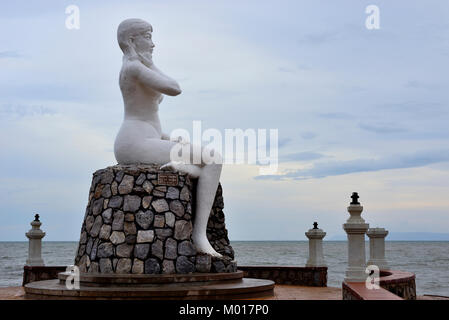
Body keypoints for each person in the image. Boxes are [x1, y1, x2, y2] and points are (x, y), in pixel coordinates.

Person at [114, 18, 223, 257]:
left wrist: (147, 60)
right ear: (132, 40)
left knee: (199, 156)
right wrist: (147, 62)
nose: (153, 43)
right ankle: (199, 235)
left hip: (151, 136)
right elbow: (174, 87)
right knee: (213, 158)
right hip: (134, 142)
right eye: (148, 36)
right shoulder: (133, 68)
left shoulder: (137, 65)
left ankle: (185, 169)